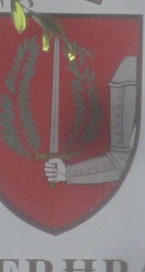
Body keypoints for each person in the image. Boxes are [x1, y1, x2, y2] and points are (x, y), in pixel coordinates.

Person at [44, 55, 137, 186]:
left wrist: (67, 173)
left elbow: (120, 161)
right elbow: (121, 161)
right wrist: (67, 173)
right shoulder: (131, 70)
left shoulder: (130, 70)